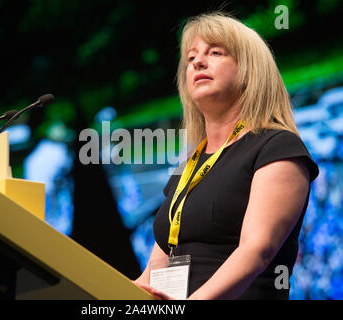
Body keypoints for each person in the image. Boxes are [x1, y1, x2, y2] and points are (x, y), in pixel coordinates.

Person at [133, 12, 319, 300]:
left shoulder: (277, 148)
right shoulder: (188, 168)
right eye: (191, 57)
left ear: (250, 70)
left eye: (215, 52)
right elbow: (154, 273)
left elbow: (257, 250)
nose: (197, 62)